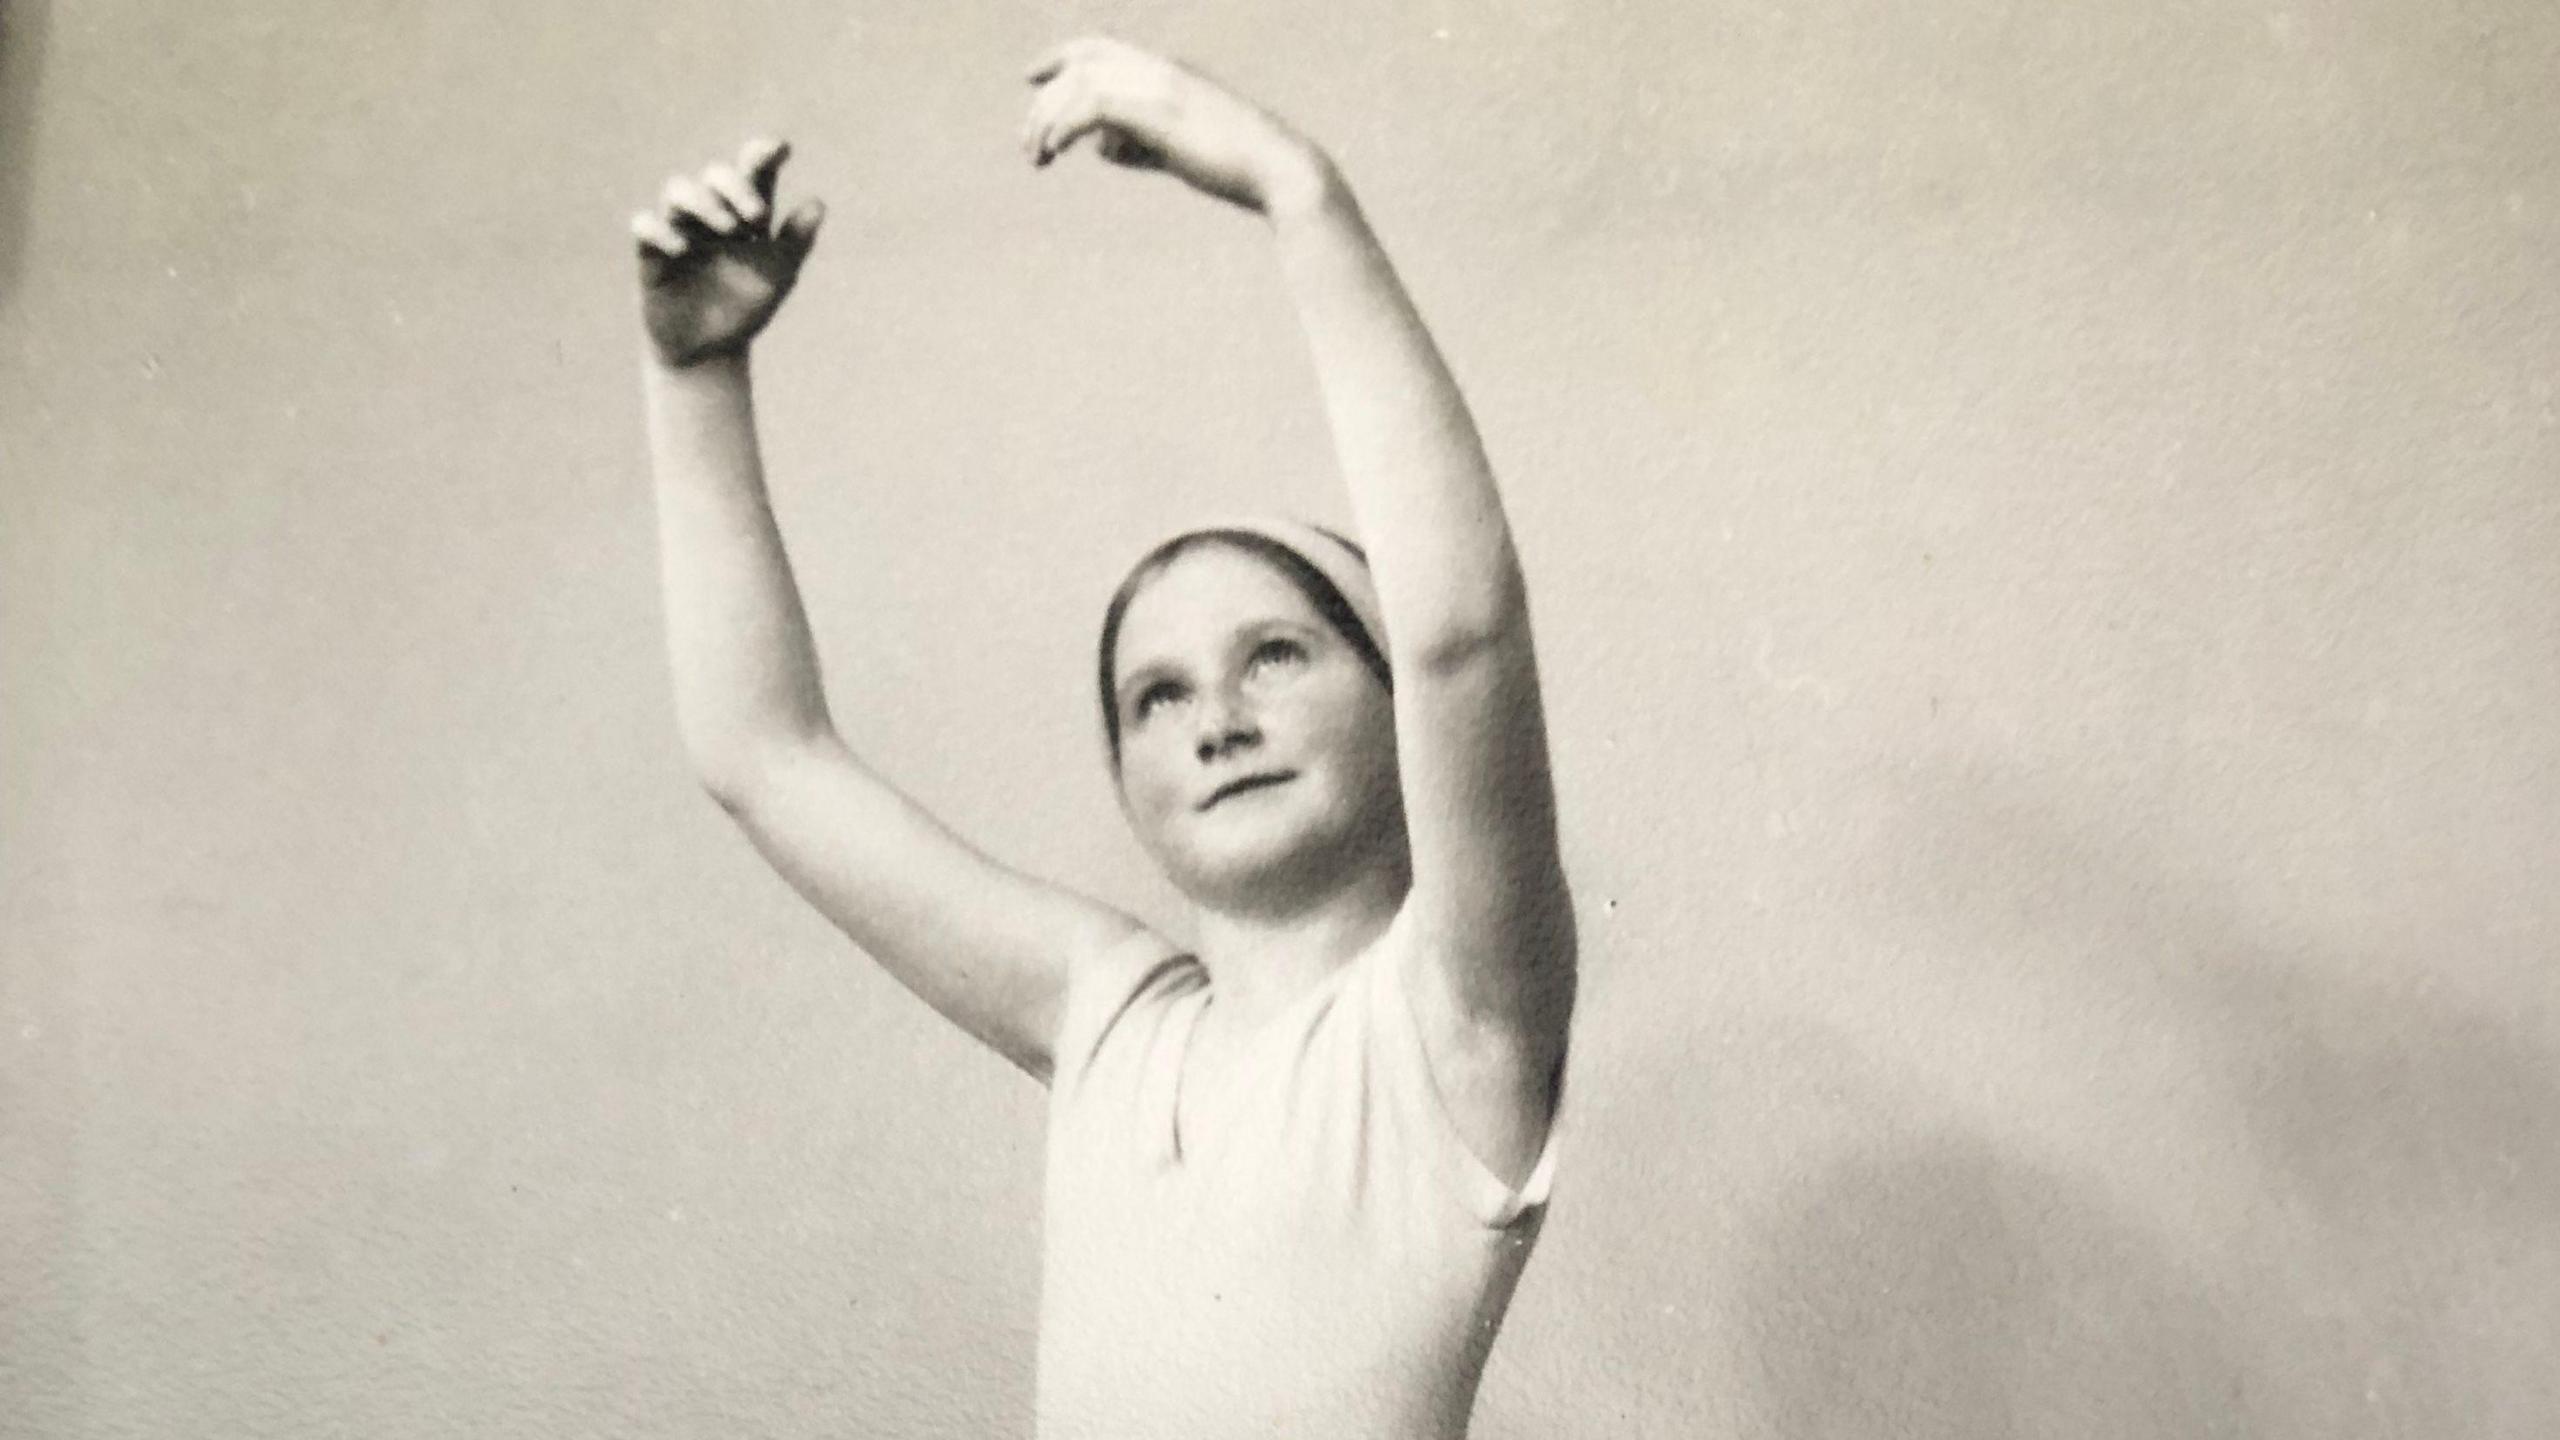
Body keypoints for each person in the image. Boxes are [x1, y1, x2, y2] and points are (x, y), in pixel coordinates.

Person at [631, 36, 1576, 1440]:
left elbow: (1463, 626)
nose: (1220, 722)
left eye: (1276, 654)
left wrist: (1294, 190)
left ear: (1401, 707)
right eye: (1159, 696)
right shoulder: (1108, 1017)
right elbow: (762, 757)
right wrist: (697, 380)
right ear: (1125, 781)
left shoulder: (1455, 1025)